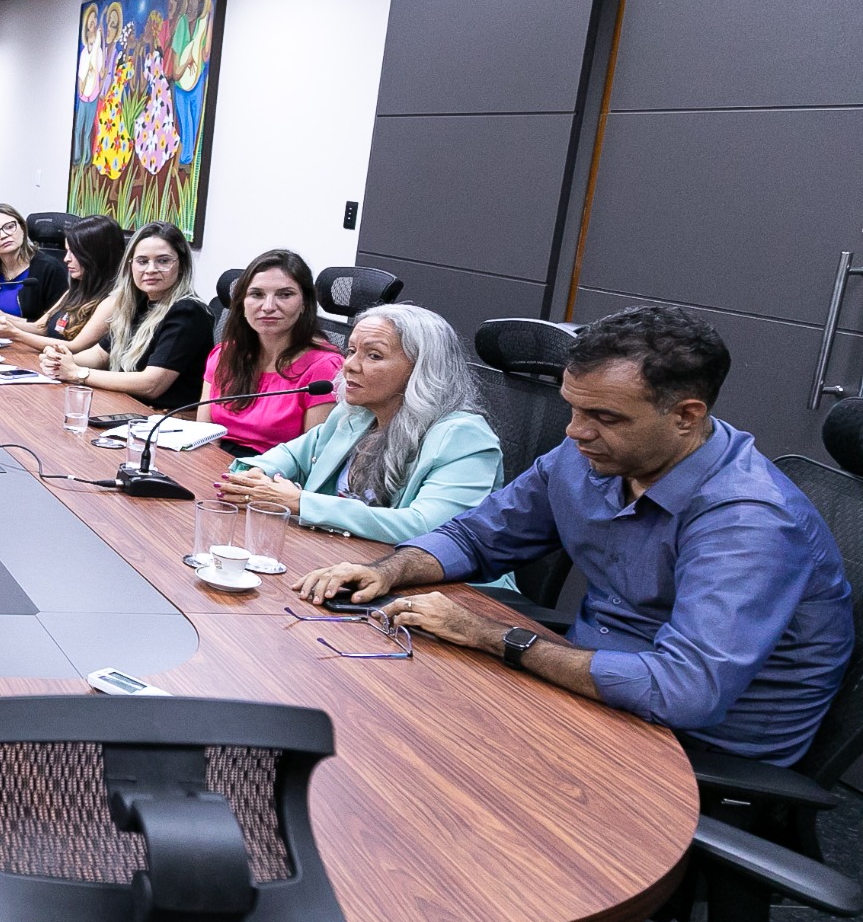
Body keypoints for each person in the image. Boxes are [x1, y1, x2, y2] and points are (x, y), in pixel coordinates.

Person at [298, 305, 853, 766]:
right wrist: (385, 571)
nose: (575, 431)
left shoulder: (749, 520)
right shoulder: (588, 457)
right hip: (593, 686)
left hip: (696, 748)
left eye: (604, 417)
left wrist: (490, 635)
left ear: (686, 416)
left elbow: (682, 692)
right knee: (369, 714)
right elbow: (476, 536)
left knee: (419, 765)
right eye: (572, 408)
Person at [218, 304, 503, 542]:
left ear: (422, 369)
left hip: (436, 585)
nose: (349, 365)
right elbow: (291, 455)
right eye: (351, 350)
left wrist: (301, 503)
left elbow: (428, 528)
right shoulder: (354, 414)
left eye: (374, 355)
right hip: (341, 556)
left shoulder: (464, 437)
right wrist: (254, 475)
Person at [39, 220, 212, 409]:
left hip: (162, 415)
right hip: (126, 405)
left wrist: (77, 373)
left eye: (163, 261)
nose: (151, 269)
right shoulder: (138, 302)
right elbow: (100, 355)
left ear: (182, 265)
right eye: (142, 261)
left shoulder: (188, 312)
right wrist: (61, 360)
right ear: (130, 265)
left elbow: (151, 384)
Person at [202, 249, 342, 452]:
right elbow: (204, 436)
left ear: (304, 303)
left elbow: (311, 457)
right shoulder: (224, 354)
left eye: (285, 295)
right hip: (215, 462)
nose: (268, 306)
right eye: (257, 294)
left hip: (274, 469)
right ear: (242, 303)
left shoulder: (324, 368)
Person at [0, 214, 124, 352]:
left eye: (74, 252)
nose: (66, 259)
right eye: (67, 251)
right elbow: (40, 327)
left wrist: (15, 334)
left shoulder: (112, 301)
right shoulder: (77, 288)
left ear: (96, 255)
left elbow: (75, 346)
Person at [0, 203, 56, 322]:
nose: (3, 235)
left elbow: (53, 325)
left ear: (23, 229)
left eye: (9, 227)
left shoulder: (49, 268)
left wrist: (4, 319)